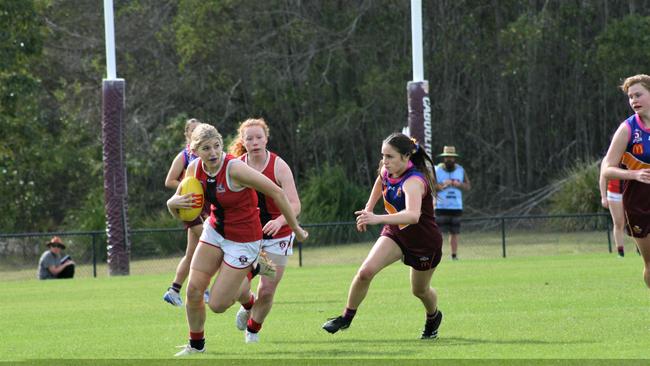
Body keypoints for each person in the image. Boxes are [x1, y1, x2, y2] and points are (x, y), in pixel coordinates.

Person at [166, 123, 308, 356]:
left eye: (216, 146)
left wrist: (295, 227)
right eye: (206, 148)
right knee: (193, 291)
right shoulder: (193, 169)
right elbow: (182, 208)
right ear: (195, 151)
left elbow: (278, 193)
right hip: (215, 231)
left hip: (244, 240)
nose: (212, 152)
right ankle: (196, 346)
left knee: (218, 305)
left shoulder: (235, 168)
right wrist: (172, 204)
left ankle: (251, 296)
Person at [322, 133, 444, 339]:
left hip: (424, 243)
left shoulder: (413, 181)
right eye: (383, 156)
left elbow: (413, 216)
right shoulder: (387, 170)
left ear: (406, 157)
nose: (384, 162)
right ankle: (346, 318)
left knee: (419, 291)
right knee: (365, 272)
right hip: (396, 234)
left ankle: (433, 317)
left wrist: (376, 218)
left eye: (390, 157)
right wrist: (368, 208)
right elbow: (380, 182)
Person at [227, 118, 301, 343]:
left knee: (267, 289)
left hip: (274, 240)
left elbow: (295, 205)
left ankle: (253, 329)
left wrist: (279, 222)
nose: (255, 141)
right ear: (243, 141)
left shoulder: (279, 166)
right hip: (246, 239)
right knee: (238, 287)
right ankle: (248, 304)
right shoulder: (235, 166)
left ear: (266, 139)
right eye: (249, 138)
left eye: (259, 137)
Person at [601, 74, 650, 289]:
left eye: (638, 95)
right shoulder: (628, 129)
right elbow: (607, 169)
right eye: (630, 97)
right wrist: (634, 175)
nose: (633, 101)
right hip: (639, 203)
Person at [162, 118, 205, 307]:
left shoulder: (208, 152)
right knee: (211, 243)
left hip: (205, 207)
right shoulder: (184, 156)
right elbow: (169, 180)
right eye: (194, 131)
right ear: (187, 135)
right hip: (190, 207)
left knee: (192, 253)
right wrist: (188, 188)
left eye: (201, 130)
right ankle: (203, 288)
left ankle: (174, 290)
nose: (198, 133)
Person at [434, 145, 471, 261]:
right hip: (441, 206)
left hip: (456, 207)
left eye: (451, 157)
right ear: (443, 158)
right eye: (447, 157)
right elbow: (432, 187)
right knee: (438, 234)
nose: (449, 159)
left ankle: (454, 256)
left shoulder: (461, 170)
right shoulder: (437, 170)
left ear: (454, 158)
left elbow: (468, 186)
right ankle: (436, 255)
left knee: (454, 233)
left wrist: (459, 184)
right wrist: (444, 184)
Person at [598, 163, 626, 257]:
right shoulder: (608, 158)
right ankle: (620, 252)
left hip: (630, 192)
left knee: (635, 220)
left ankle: (640, 249)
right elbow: (603, 178)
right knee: (619, 223)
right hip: (614, 194)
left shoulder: (630, 154)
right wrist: (603, 197)